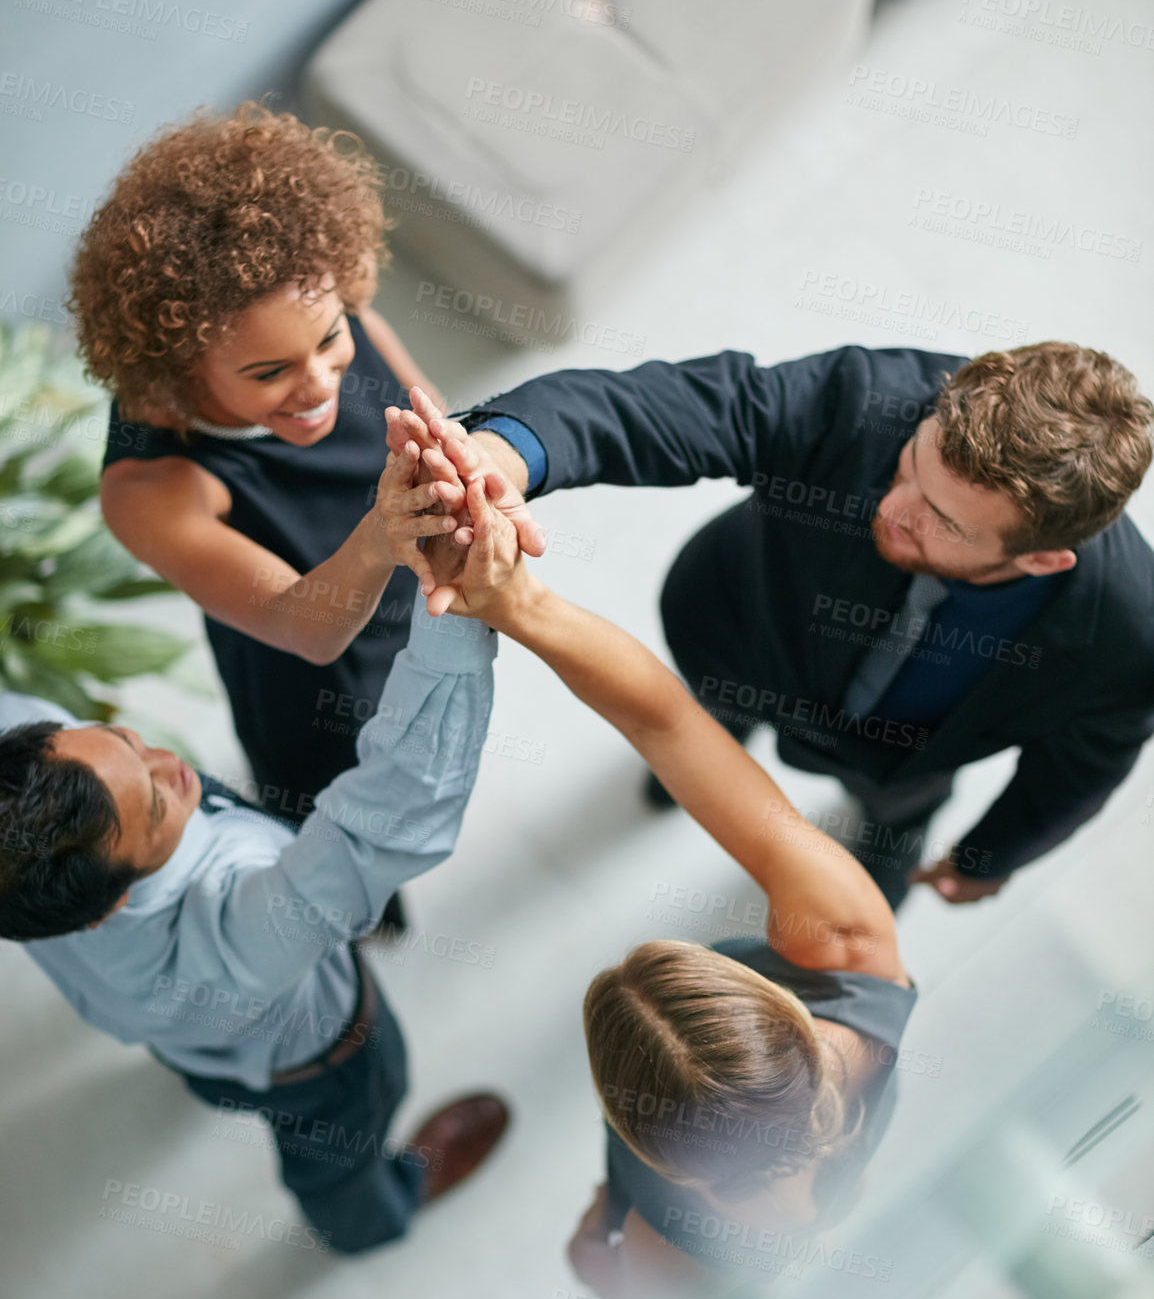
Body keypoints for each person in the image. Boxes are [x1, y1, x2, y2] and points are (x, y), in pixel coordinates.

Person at [399, 437, 917, 1299]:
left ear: (652, 1153)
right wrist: (514, 602)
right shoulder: (850, 939)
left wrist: (605, 1216)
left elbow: (602, 1275)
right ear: (778, 1018)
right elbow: (672, 727)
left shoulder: (680, 1237)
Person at [410, 341, 1154, 909]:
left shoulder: (1132, 640)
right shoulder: (868, 398)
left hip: (897, 758)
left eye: (942, 521)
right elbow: (676, 407)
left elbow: (1079, 770)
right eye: (908, 467)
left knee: (892, 828)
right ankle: (701, 757)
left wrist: (991, 856)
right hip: (739, 636)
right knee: (705, 724)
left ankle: (881, 851)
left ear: (1043, 560)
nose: (893, 510)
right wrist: (501, 455)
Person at [0, 444, 509, 1255]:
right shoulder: (239, 938)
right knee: (335, 1159)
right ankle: (375, 1214)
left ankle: (208, 1071)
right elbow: (398, 807)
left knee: (201, 1057)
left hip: (184, 1042)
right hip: (317, 1066)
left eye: (122, 740)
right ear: (115, 899)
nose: (172, 762)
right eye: (157, 799)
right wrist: (458, 608)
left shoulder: (29, 859)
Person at [68, 100, 542, 854]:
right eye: (269, 372)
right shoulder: (150, 486)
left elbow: (440, 419)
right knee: (347, 826)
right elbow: (302, 628)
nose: (319, 381)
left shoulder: (319, 305)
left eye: (330, 337)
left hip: (416, 602)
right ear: (180, 365)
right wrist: (387, 532)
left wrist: (471, 477)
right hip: (319, 680)